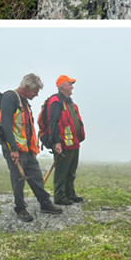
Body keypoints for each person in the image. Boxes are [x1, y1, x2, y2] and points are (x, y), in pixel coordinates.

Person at [0, 74, 65, 221]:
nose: (36, 95)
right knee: (18, 179)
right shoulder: (10, 98)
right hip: (15, 149)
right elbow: (6, 125)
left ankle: (45, 204)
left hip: (28, 150)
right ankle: (20, 208)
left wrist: (33, 149)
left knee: (36, 176)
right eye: (35, 92)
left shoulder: (24, 101)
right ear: (27, 87)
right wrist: (14, 149)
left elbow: (27, 127)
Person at [47, 75, 86, 205]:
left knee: (71, 171)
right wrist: (56, 142)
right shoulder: (55, 101)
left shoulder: (69, 102)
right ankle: (59, 197)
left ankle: (70, 194)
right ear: (63, 85)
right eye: (70, 84)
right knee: (61, 172)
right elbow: (52, 123)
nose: (72, 86)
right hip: (62, 144)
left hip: (73, 143)